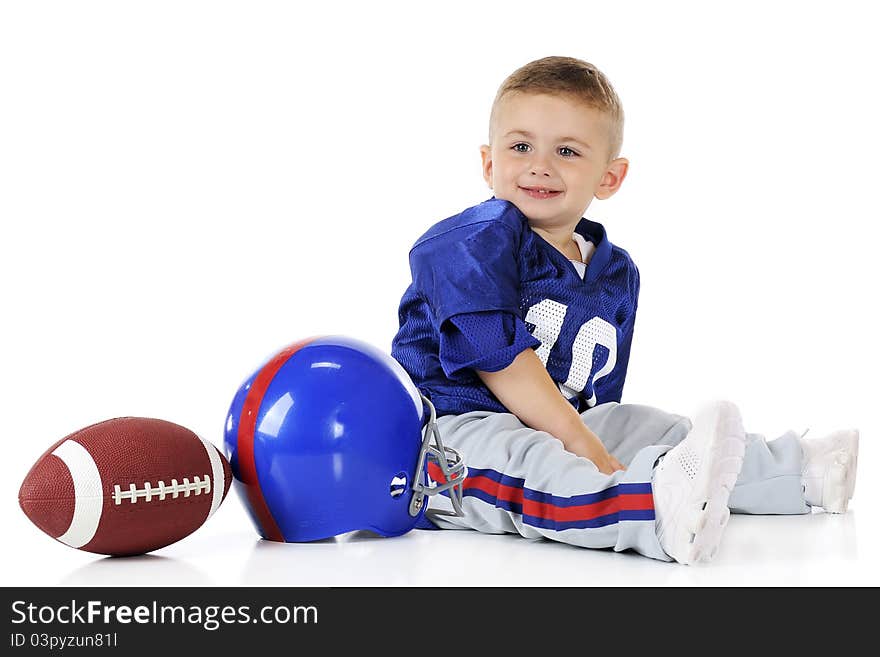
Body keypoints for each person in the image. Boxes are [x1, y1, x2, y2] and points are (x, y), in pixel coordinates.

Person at [390, 56, 859, 565]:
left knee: (645, 427)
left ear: (610, 177)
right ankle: (651, 509)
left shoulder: (616, 272)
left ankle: (799, 471)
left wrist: (598, 437)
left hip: (559, 420)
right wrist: (583, 444)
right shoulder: (470, 242)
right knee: (534, 463)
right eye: (520, 146)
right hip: (450, 436)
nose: (540, 164)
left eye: (566, 151)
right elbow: (496, 357)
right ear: (488, 162)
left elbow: (600, 395)